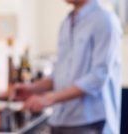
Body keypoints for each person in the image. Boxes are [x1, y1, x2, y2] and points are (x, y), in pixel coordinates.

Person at [12, 0, 122, 134]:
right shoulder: (66, 23)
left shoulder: (105, 20)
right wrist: (32, 89)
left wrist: (49, 98)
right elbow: (60, 73)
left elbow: (98, 76)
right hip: (60, 120)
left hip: (89, 123)